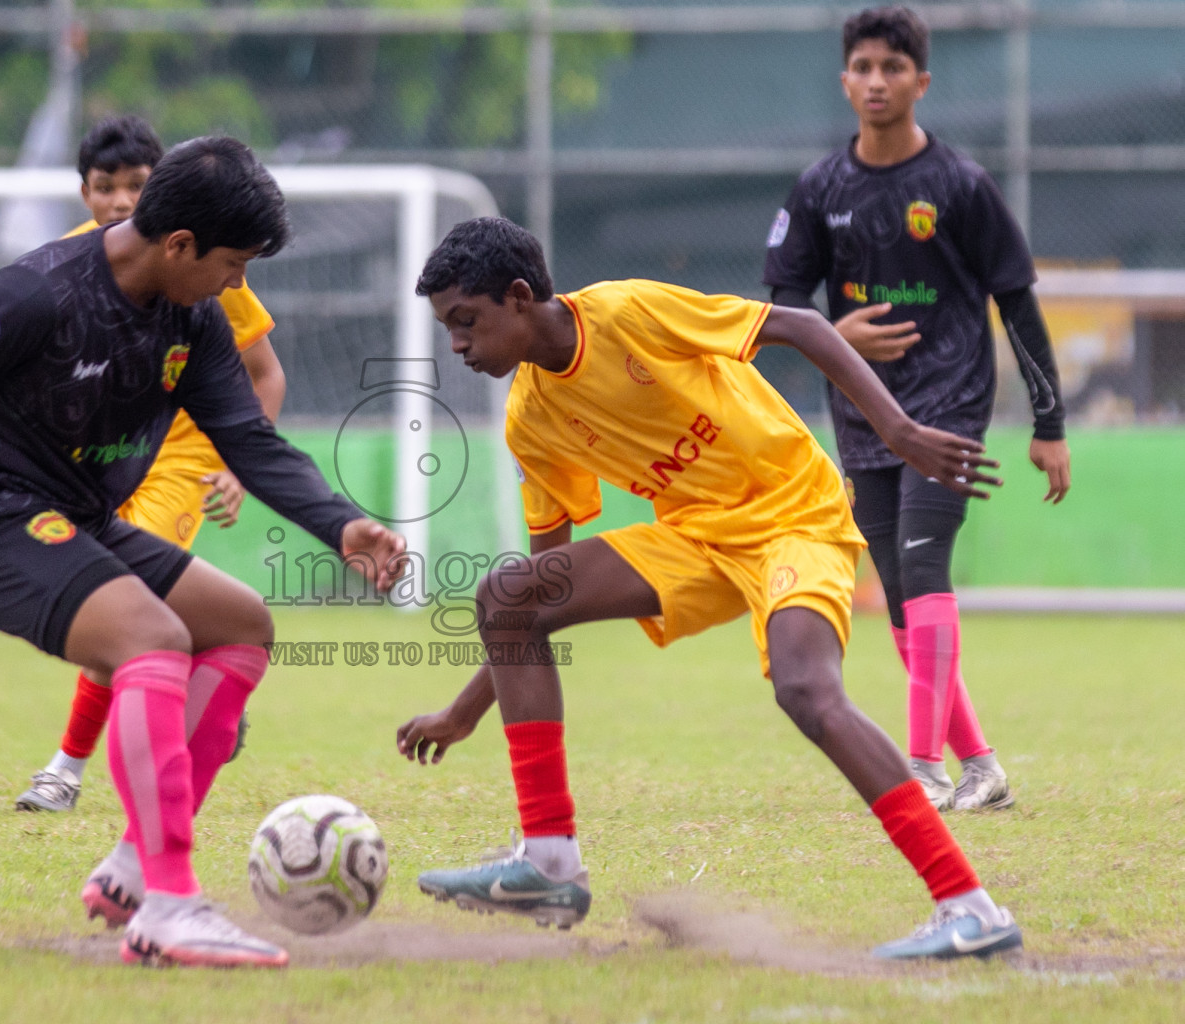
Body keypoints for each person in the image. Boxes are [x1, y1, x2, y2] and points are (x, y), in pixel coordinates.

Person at [0, 137, 405, 969]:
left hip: (72, 514)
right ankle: (171, 906)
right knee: (153, 638)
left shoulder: (191, 315)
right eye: (231, 264)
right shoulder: (35, 295)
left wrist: (340, 523)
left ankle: (136, 867)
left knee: (241, 625)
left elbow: (243, 436)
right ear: (178, 246)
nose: (236, 283)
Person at [395, 216, 1022, 960]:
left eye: (465, 322)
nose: (457, 345)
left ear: (521, 296)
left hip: (794, 513)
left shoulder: (626, 313)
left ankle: (970, 908)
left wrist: (898, 431)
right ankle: (547, 860)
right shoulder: (530, 418)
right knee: (507, 595)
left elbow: (799, 325)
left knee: (805, 692)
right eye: (447, 329)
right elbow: (535, 599)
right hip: (698, 538)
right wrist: (463, 711)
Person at [762, 5, 1071, 812]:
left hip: (950, 410)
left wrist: (1049, 426)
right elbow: (784, 297)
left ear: (920, 82)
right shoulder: (820, 187)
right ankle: (983, 771)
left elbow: (1018, 304)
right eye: (861, 67)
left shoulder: (959, 186)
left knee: (925, 568)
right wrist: (837, 333)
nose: (875, 81)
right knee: (900, 592)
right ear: (844, 79)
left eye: (891, 68)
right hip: (862, 417)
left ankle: (925, 770)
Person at [16, 115, 287, 812]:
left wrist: (238, 465)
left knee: (123, 594)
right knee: (121, 608)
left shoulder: (203, 261)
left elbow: (264, 373)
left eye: (135, 185)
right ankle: (206, 669)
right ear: (84, 195)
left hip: (183, 456)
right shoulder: (69, 263)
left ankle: (64, 771)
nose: (118, 202)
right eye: (105, 187)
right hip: (111, 457)